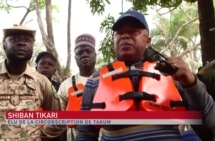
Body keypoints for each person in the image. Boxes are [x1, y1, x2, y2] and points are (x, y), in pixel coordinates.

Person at [76, 10, 215, 141]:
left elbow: (209, 121)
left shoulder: (173, 73)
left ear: (148, 41)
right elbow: (85, 133)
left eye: (133, 31)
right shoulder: (94, 81)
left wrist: (191, 84)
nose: (124, 36)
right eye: (119, 33)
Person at [0, 25, 64, 141]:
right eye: (15, 39)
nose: (22, 43)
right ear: (4, 45)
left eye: (27, 40)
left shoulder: (41, 81)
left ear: (32, 46)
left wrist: (38, 134)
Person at [58, 33, 97, 141]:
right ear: (75, 58)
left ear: (95, 55)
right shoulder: (65, 85)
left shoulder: (106, 80)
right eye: (80, 53)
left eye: (88, 51)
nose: (84, 55)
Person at [35, 51, 66, 141]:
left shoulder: (61, 88)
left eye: (50, 64)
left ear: (54, 70)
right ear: (36, 67)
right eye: (43, 63)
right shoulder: (27, 86)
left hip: (56, 135)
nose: (46, 66)